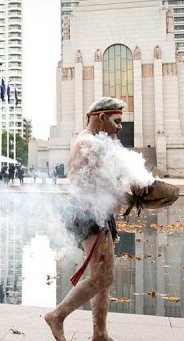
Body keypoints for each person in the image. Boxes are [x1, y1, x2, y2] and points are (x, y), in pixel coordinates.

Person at [44, 97, 148, 341]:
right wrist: (137, 196)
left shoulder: (96, 142)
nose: (120, 127)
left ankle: (100, 334)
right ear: (102, 117)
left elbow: (111, 178)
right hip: (89, 214)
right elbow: (101, 186)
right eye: (117, 121)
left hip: (97, 213)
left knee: (104, 277)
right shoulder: (87, 143)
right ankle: (57, 315)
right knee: (104, 276)